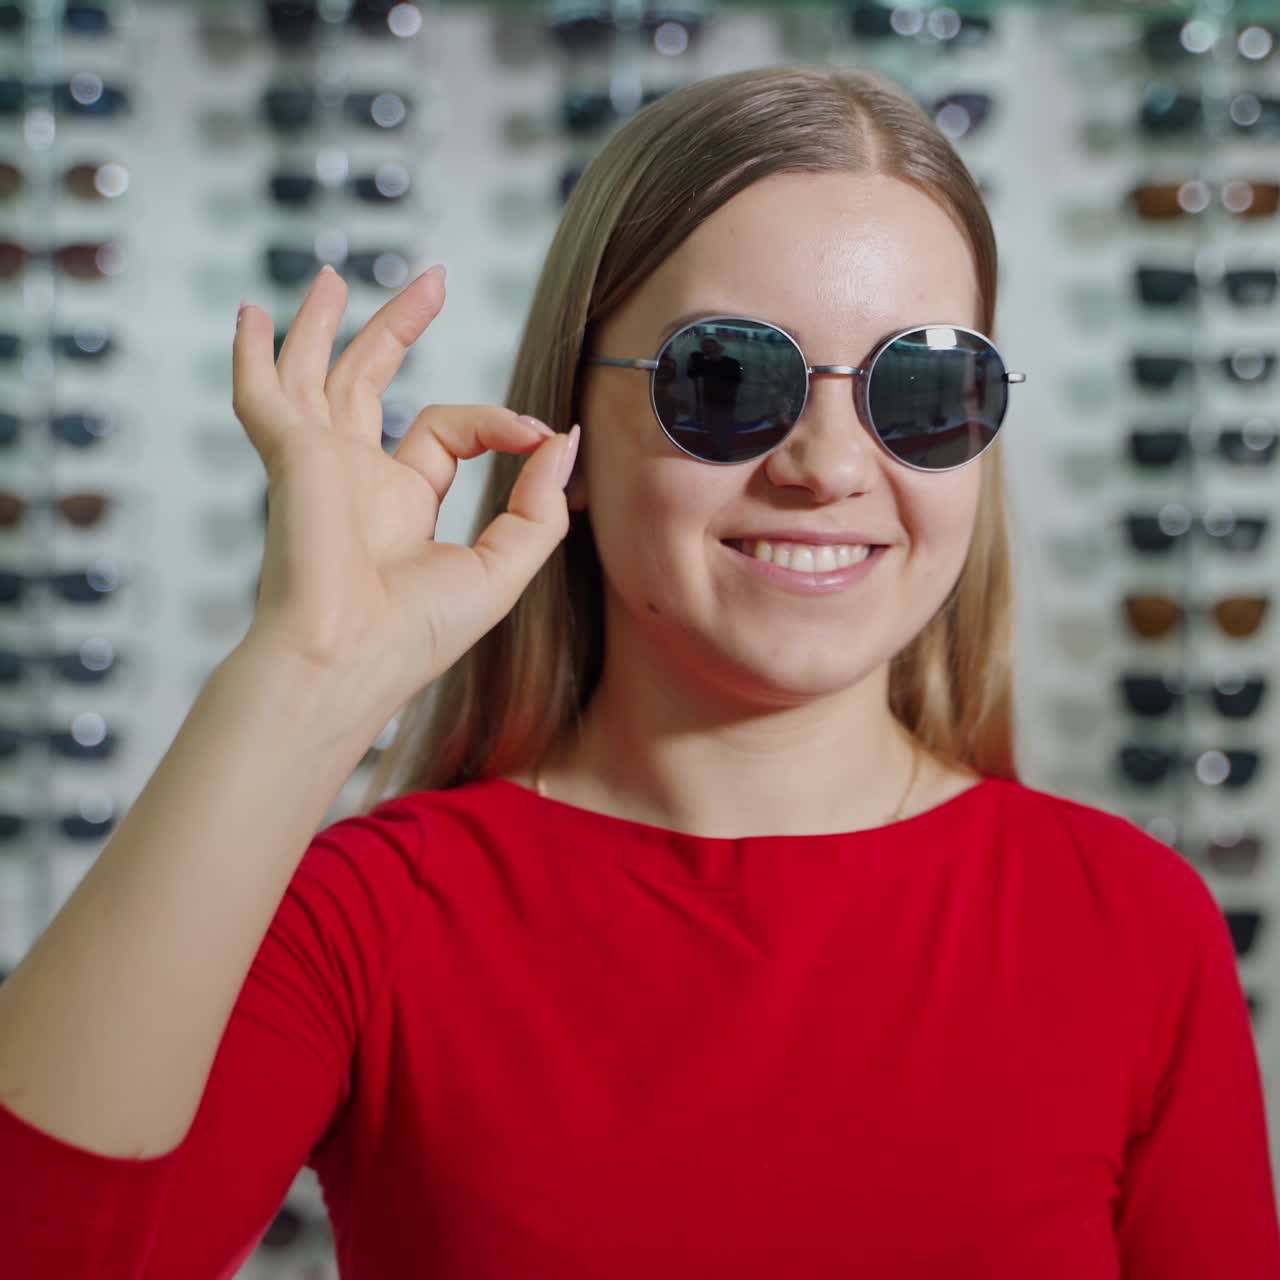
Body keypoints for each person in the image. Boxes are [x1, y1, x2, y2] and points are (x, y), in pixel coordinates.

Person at [0, 64, 1276, 1280]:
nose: (827, 465)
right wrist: (302, 673)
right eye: (728, 378)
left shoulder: (1127, 924)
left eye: (925, 385)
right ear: (569, 429)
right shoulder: (371, 918)